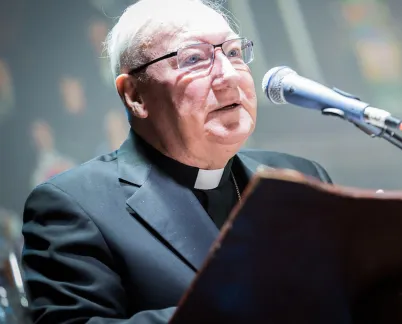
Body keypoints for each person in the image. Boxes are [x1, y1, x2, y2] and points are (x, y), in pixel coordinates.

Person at [20, 0, 332, 323]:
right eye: (194, 59)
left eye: (234, 53)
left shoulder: (302, 176)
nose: (228, 75)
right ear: (135, 95)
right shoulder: (72, 207)